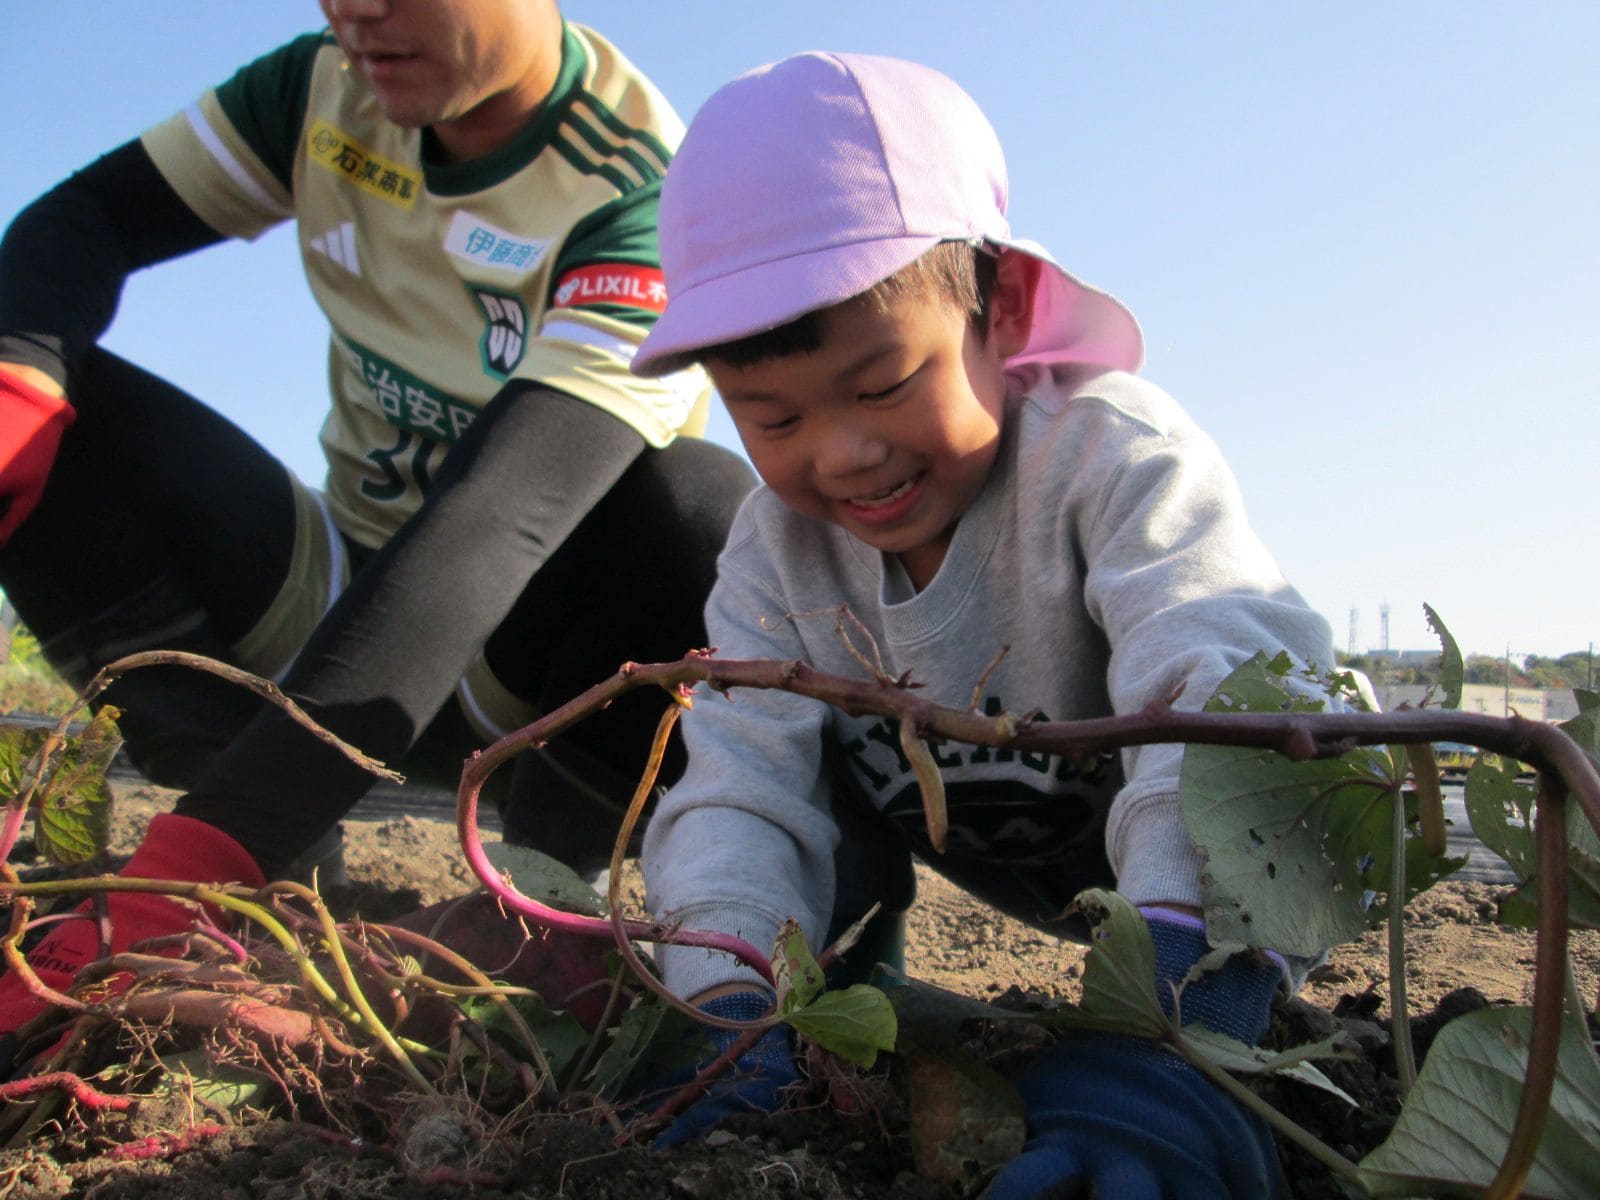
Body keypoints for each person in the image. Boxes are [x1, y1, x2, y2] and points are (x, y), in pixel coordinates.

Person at [627, 53, 1336, 1194]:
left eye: (883, 384)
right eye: (772, 415)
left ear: (995, 311)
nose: (842, 452)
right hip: (971, 855)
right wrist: (723, 1000)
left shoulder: (1108, 455)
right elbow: (740, 783)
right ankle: (831, 1004)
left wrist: (1175, 1016)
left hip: (1158, 877)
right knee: (774, 778)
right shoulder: (776, 548)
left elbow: (1226, 677)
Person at [0, 0, 753, 1065]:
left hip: (524, 672)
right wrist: (19, 380)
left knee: (696, 507)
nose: (358, 11)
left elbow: (492, 530)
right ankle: (272, 838)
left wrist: (195, 863)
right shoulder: (323, 89)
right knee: (22, 366)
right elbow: (84, 221)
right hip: (332, 600)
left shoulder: (639, 189)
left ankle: (546, 891)